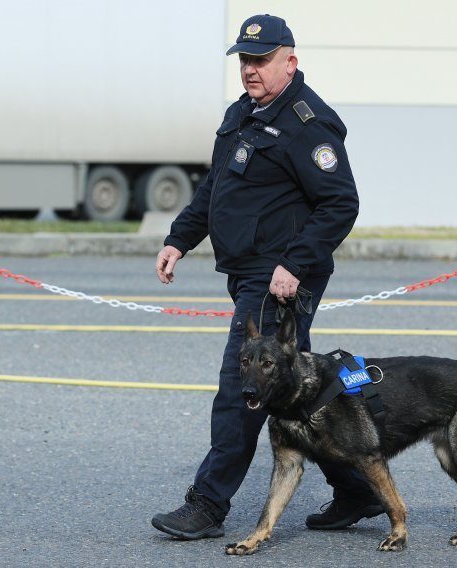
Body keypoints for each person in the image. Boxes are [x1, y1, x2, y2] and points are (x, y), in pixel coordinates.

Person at [151, 14, 384, 540]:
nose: (250, 70)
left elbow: (340, 204)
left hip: (279, 277)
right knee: (299, 389)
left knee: (244, 385)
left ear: (290, 61)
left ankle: (208, 504)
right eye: (244, 60)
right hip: (250, 271)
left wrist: (294, 264)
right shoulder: (245, 113)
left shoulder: (308, 123)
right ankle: (357, 490)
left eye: (260, 60)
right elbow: (216, 187)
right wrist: (178, 238)